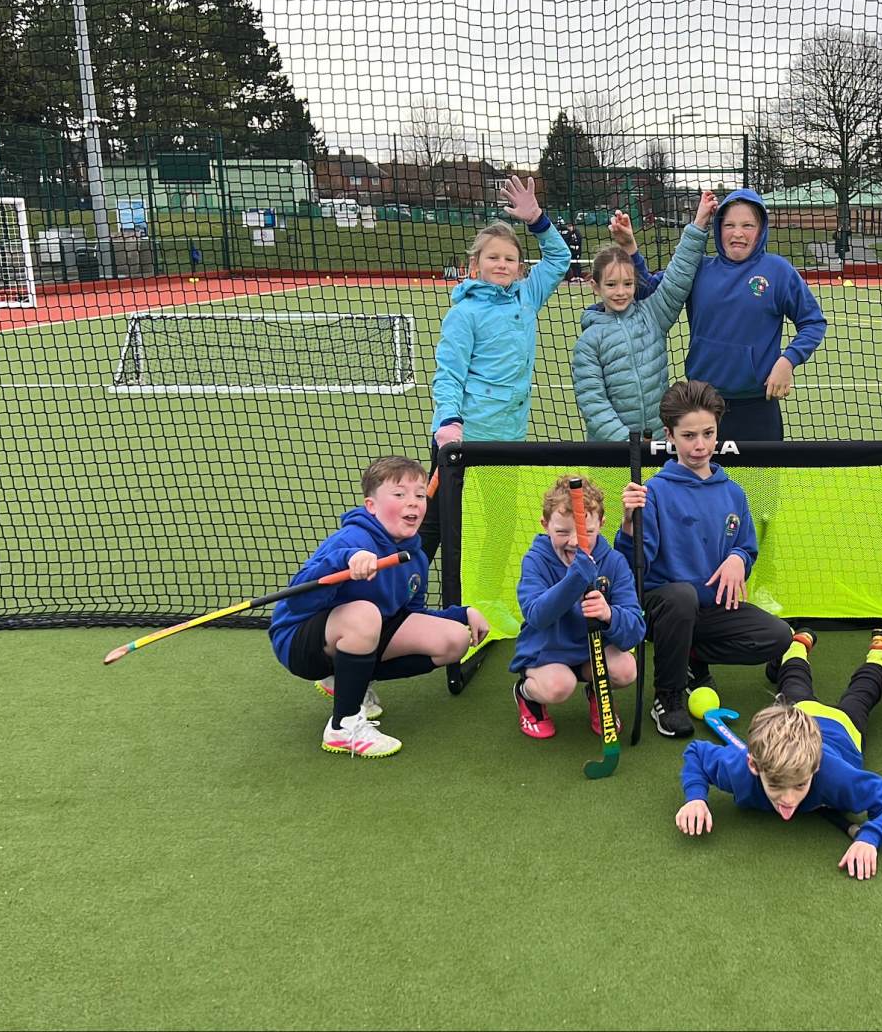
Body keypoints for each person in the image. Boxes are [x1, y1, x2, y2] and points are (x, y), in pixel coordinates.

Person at [268, 456, 491, 758]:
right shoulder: (352, 538)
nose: (412, 502)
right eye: (399, 494)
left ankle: (347, 681)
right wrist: (345, 561)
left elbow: (411, 616)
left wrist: (462, 614)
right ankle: (344, 727)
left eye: (419, 495)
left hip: (360, 632)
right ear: (371, 506)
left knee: (454, 640)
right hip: (300, 641)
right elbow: (296, 601)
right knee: (365, 613)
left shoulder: (415, 557)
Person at [614, 379, 793, 737]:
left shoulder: (733, 492)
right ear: (670, 436)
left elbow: (746, 546)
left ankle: (691, 656)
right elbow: (633, 568)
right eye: (689, 436)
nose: (700, 445)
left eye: (708, 434)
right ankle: (668, 696)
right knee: (681, 597)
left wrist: (739, 558)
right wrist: (629, 525)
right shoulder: (654, 492)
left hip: (709, 611)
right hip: (663, 609)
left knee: (777, 636)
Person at [675, 628, 882, 880]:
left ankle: (881, 652)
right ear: (754, 765)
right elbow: (697, 753)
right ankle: (798, 642)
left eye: (800, 784)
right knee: (792, 680)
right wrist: (695, 798)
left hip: (843, 726)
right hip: (800, 711)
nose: (789, 799)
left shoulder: (835, 776)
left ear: (816, 766)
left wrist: (870, 838)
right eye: (776, 785)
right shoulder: (739, 769)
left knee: (862, 692)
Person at [420, 175, 569, 565]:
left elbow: (559, 259)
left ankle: (484, 590)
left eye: (509, 259)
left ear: (520, 268)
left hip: (507, 438)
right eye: (493, 258)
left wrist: (537, 220)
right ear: (475, 265)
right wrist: (448, 422)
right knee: (437, 523)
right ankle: (403, 590)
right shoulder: (464, 314)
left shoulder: (527, 296)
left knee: (501, 525)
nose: (501, 264)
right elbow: (449, 374)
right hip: (462, 438)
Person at [611, 189, 826, 442]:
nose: (738, 233)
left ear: (761, 230)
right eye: (729, 225)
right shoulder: (698, 267)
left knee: (761, 471)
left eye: (748, 225)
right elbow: (646, 291)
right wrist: (629, 248)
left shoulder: (778, 271)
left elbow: (813, 322)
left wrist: (787, 361)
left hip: (758, 408)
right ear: (717, 228)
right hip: (701, 407)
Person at [571, 191, 717, 441]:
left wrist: (699, 222)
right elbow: (594, 405)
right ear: (595, 286)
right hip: (612, 451)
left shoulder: (652, 315)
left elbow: (679, 275)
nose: (620, 292)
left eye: (627, 284)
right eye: (611, 284)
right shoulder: (588, 343)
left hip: (657, 442)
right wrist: (631, 444)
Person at [510, 475, 645, 739]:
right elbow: (536, 615)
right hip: (547, 653)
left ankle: (598, 691)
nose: (574, 541)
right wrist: (575, 580)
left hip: (591, 654)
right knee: (559, 686)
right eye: (562, 532)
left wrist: (609, 614)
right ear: (545, 525)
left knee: (626, 669)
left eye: (586, 532)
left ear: (601, 524)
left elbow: (635, 630)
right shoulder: (536, 560)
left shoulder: (614, 562)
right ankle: (527, 695)